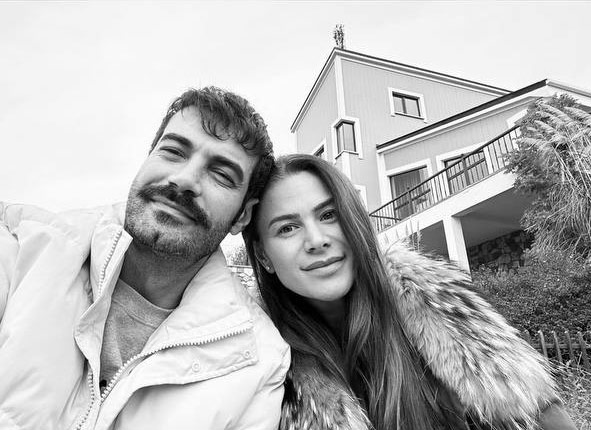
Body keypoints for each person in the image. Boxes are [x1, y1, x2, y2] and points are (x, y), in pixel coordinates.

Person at [0, 87, 290, 430]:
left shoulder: (260, 363)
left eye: (222, 175)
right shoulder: (22, 252)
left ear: (242, 216)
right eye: (173, 152)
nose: (184, 179)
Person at [243, 153, 576, 430]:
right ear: (263, 256)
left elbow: (543, 416)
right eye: (287, 228)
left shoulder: (440, 313)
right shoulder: (259, 367)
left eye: (329, 215)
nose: (316, 240)